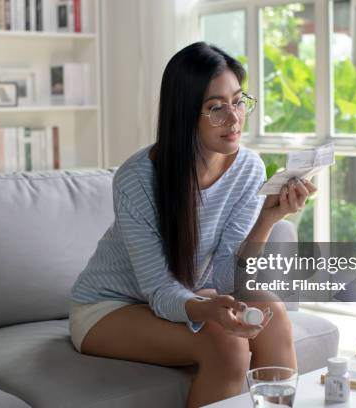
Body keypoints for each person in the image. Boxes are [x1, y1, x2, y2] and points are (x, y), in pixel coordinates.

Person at [70, 42, 316, 408]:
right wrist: (207, 309)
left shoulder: (247, 168)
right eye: (216, 108)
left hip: (188, 295)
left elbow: (227, 277)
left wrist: (268, 217)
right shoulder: (137, 179)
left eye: (238, 101)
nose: (234, 119)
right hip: (109, 307)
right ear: (185, 114)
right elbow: (159, 290)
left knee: (273, 312)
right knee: (226, 341)